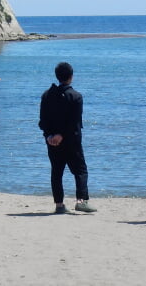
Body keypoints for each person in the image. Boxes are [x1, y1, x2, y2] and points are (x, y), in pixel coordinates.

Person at [39, 61, 96, 214]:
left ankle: (59, 204)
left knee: (56, 172)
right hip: (71, 141)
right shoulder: (76, 96)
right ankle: (81, 201)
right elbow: (74, 122)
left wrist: (50, 135)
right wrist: (60, 135)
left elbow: (42, 121)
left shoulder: (47, 95)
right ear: (71, 77)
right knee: (80, 171)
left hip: (52, 142)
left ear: (57, 76)